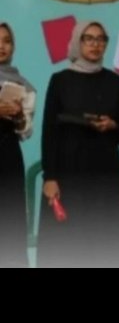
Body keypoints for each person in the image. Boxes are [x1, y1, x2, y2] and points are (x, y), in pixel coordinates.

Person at [37, 21, 119, 268]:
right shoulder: (60, 80)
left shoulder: (115, 83)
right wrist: (50, 177)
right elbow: (49, 131)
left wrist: (113, 125)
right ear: (77, 42)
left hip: (106, 176)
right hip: (68, 173)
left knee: (106, 244)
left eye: (101, 39)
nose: (95, 44)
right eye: (88, 38)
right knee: (67, 247)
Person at [0, 23, 35, 268]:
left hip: (8, 156)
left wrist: (19, 115)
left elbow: (26, 132)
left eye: (7, 41)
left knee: (10, 223)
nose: (1, 46)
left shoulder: (23, 85)